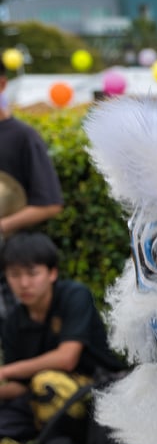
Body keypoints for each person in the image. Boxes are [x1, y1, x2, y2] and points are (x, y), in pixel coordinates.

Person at [0, 232, 121, 444]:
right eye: (15, 275)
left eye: (32, 273)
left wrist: (5, 371)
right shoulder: (13, 320)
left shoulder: (74, 295)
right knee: (35, 390)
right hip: (39, 397)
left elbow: (67, 358)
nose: (24, 283)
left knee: (48, 384)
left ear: (52, 272)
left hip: (97, 390)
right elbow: (20, 384)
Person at [0, 62, 64, 320]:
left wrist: (2, 226)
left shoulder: (23, 137)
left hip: (9, 261)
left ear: (2, 84)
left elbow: (50, 204)